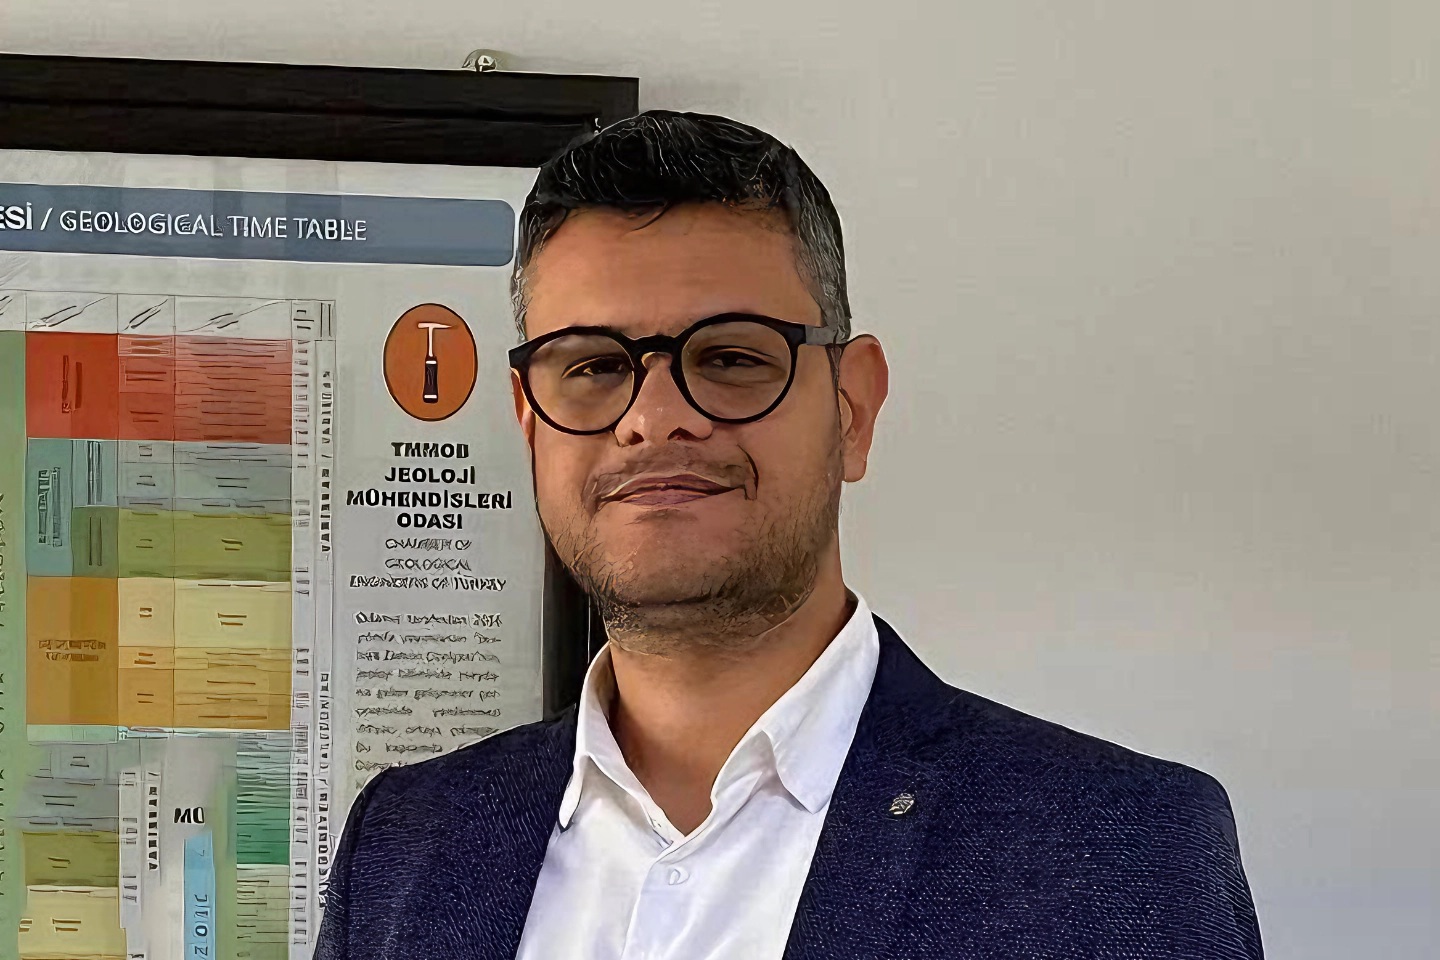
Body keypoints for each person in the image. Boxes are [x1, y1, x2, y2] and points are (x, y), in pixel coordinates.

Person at [314, 110, 1263, 960]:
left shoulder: (1121, 851)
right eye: (594, 366)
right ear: (529, 421)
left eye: (730, 357)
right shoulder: (406, 844)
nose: (653, 418)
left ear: (853, 409)